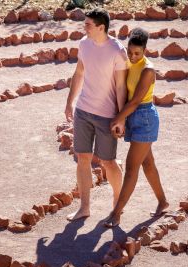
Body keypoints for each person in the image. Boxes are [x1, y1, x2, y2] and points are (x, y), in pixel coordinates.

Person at [64, 8, 128, 221]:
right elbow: (79, 73)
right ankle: (84, 208)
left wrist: (121, 118)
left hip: (106, 115)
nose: (85, 27)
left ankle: (117, 206)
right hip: (83, 110)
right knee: (82, 158)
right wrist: (69, 102)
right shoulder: (83, 44)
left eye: (88, 24)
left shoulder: (117, 51)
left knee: (108, 162)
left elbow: (121, 87)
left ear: (101, 27)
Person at [103, 28, 169, 228]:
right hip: (132, 117)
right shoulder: (128, 63)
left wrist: (117, 119)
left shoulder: (148, 70)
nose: (132, 56)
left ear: (145, 51)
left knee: (132, 168)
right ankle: (163, 203)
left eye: (137, 53)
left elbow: (136, 101)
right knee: (148, 164)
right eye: (130, 52)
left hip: (144, 117)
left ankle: (116, 213)